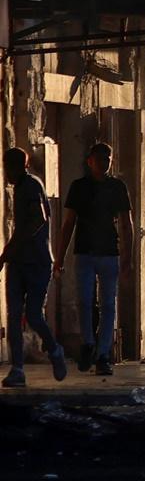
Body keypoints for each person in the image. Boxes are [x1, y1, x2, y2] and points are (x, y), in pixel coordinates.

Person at [54, 142, 133, 377]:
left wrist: (127, 259)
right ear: (90, 161)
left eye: (107, 158)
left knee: (108, 305)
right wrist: (59, 257)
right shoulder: (79, 187)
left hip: (109, 252)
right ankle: (88, 342)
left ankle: (103, 354)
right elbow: (69, 223)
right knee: (85, 301)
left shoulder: (117, 187)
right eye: (99, 158)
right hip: (85, 251)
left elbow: (126, 224)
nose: (104, 162)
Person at [1, 148, 67, 388]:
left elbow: (39, 218)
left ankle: (54, 349)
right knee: (14, 314)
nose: (6, 172)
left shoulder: (30, 186)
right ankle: (17, 369)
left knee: (33, 315)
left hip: (37, 261)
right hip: (19, 262)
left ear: (20, 166)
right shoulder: (19, 187)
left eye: (9, 167)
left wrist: (15, 244)